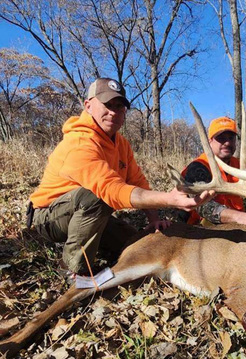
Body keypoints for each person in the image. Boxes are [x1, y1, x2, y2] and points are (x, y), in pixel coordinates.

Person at [28, 78, 215, 276]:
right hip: (48, 218)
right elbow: (112, 190)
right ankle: (73, 271)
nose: (113, 112)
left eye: (119, 106)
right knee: (96, 196)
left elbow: (138, 181)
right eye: (107, 105)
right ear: (88, 105)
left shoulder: (121, 144)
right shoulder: (79, 142)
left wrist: (154, 220)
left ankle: (97, 244)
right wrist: (170, 200)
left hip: (87, 214)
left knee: (136, 243)